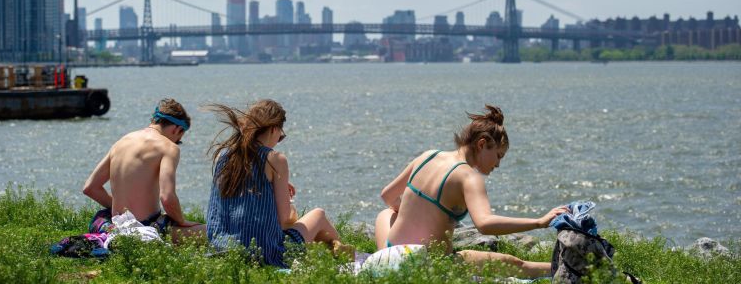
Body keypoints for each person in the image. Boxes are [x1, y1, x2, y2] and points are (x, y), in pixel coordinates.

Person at [374, 105, 568, 279]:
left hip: (389, 255)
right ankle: (573, 270)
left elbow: (387, 196)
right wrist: (539, 222)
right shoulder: (468, 177)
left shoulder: (428, 155)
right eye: (498, 156)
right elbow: (484, 224)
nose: (498, 164)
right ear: (482, 144)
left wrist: (414, 213)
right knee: (517, 265)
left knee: (387, 213)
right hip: (425, 266)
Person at [205, 99, 351, 267]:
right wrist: (291, 207)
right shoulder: (275, 159)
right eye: (280, 136)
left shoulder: (223, 157)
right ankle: (345, 257)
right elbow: (284, 220)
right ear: (274, 129)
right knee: (319, 215)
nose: (278, 140)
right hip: (265, 255)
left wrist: (273, 190)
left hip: (220, 253)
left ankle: (334, 252)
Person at [83, 98, 206, 243]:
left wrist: (124, 212)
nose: (176, 143)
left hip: (115, 224)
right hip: (147, 226)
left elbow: (90, 188)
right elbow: (167, 197)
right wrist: (182, 221)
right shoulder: (168, 147)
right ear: (177, 129)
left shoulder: (122, 142)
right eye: (178, 139)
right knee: (214, 232)